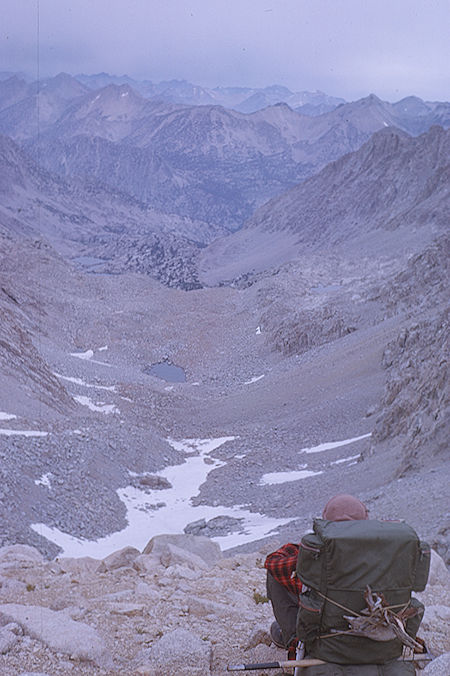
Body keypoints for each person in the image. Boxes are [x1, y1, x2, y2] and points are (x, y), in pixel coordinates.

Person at [264, 494, 369, 658]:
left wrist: (308, 554)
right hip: (372, 636)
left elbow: (272, 563)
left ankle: (294, 639)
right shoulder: (384, 555)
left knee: (275, 574)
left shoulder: (314, 558)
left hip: (323, 637)